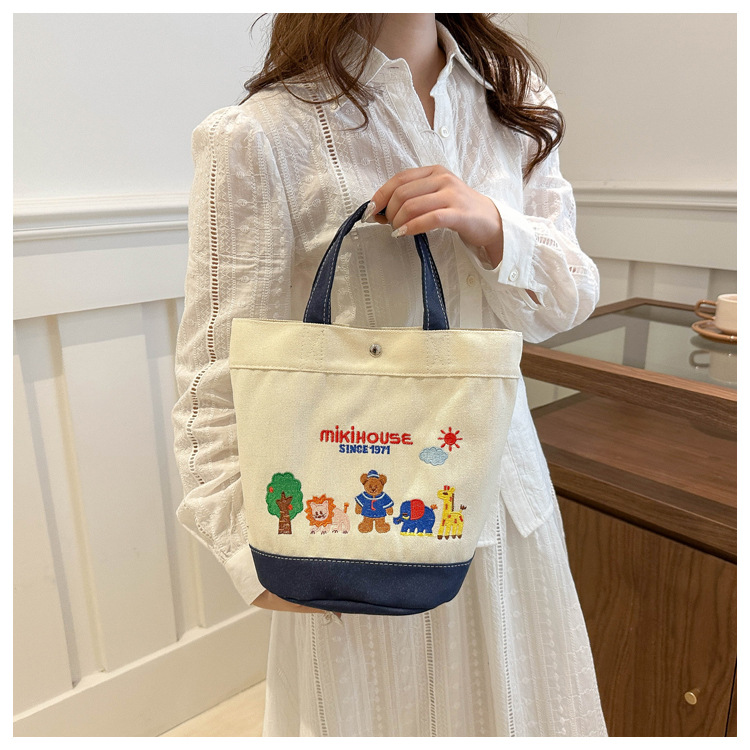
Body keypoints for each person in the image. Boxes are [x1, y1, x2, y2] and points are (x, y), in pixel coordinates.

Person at [172, 13, 608, 737]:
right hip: (351, 536)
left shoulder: (515, 96)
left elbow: (565, 302)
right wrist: (252, 555)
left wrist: (493, 225)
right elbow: (212, 378)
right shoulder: (261, 133)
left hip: (512, 515)